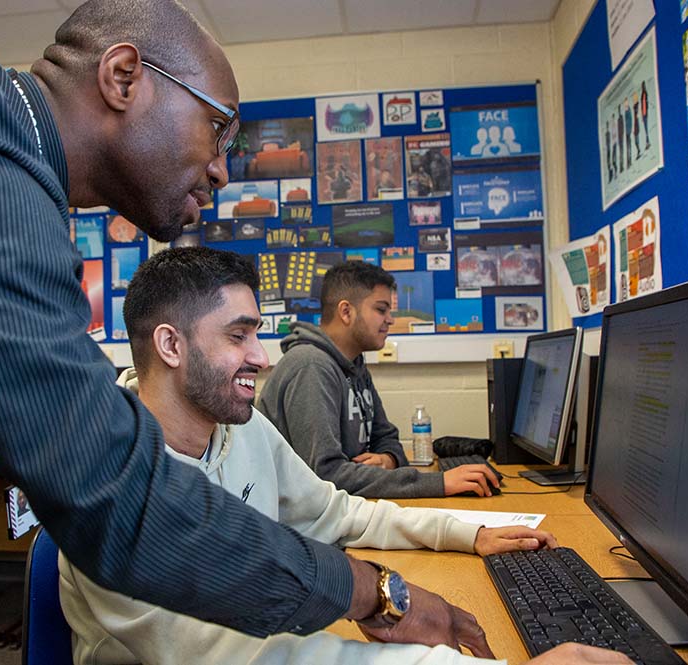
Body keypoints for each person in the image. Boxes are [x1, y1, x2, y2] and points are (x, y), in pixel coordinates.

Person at [0, 0, 459, 645]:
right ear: (122, 77)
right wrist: (371, 590)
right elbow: (118, 497)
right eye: (217, 129)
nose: (223, 168)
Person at [59, 246, 626, 665]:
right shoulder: (109, 486)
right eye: (238, 337)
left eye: (257, 334)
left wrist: (462, 531)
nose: (260, 356)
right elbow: (237, 656)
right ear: (171, 346)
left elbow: (340, 510)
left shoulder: (243, 427)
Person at [257, 262, 501, 499]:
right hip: (303, 525)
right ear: (346, 312)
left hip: (344, 509)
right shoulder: (311, 366)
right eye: (381, 309)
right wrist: (438, 483)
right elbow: (326, 476)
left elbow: (386, 437)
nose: (390, 320)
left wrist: (388, 459)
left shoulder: (354, 364)